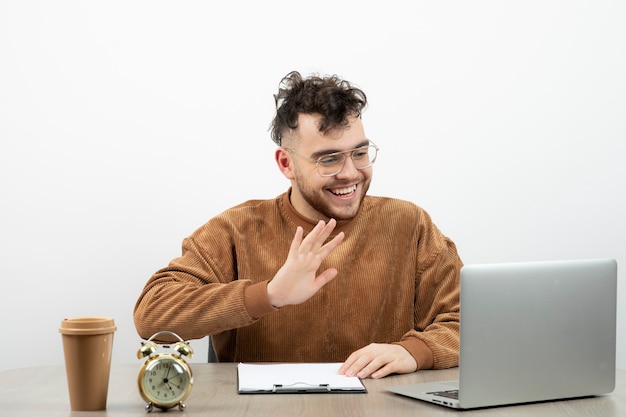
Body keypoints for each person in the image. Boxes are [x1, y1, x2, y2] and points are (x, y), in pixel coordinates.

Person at [134, 70, 463, 379]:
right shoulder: (234, 230)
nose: (350, 173)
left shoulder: (409, 224)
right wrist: (269, 294)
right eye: (329, 159)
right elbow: (152, 314)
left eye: (360, 153)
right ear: (286, 163)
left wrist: (415, 351)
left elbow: (471, 321)